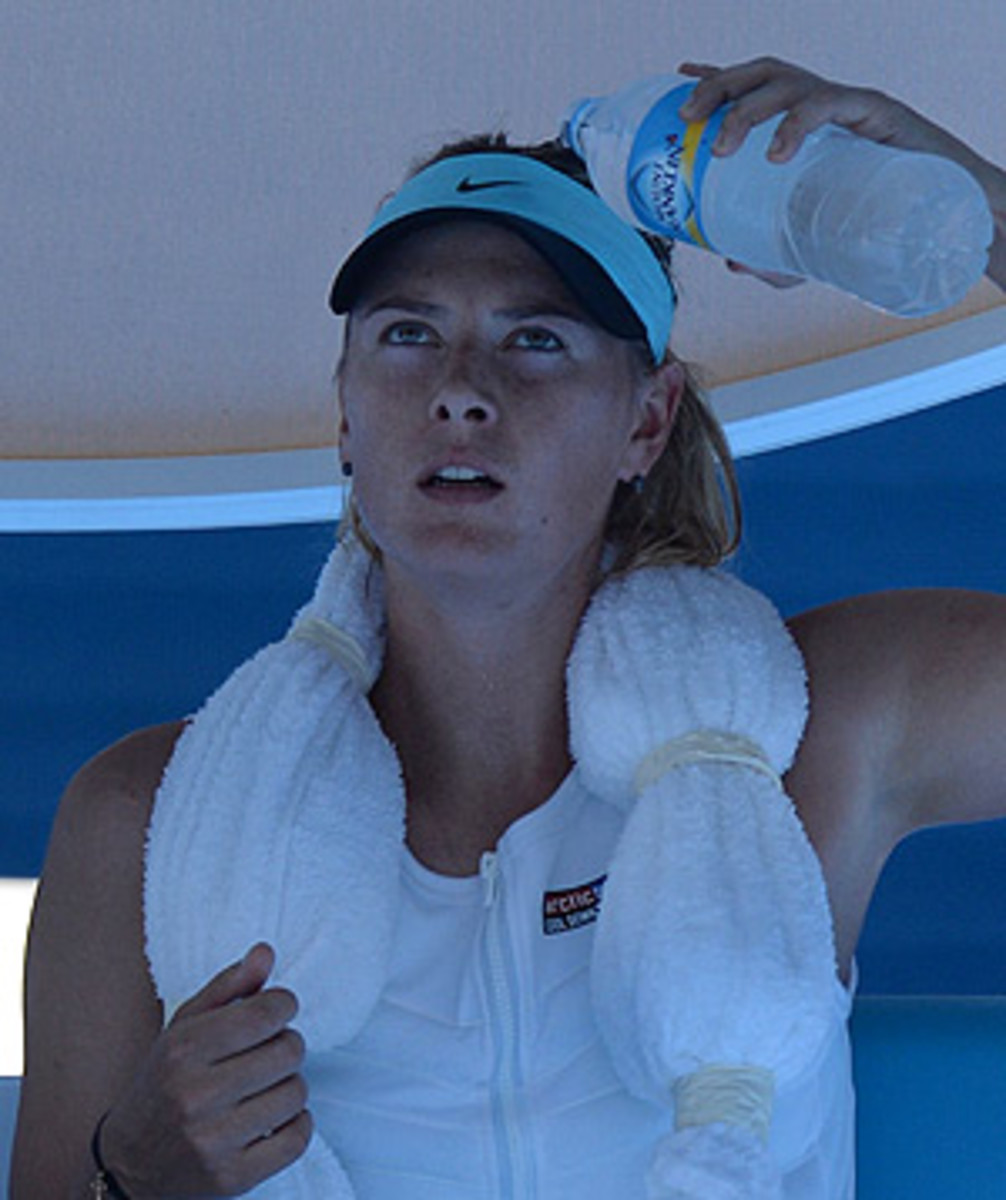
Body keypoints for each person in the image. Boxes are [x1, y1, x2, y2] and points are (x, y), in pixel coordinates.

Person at [10, 56, 1006, 1200]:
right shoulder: (142, 816)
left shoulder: (820, 737)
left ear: (647, 421)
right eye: (407, 335)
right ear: (345, 416)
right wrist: (133, 1177)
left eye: (536, 339)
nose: (460, 390)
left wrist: (977, 208)